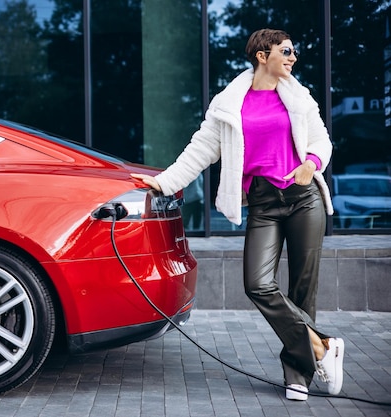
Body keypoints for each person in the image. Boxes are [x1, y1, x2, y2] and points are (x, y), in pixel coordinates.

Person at [132, 28, 344, 401]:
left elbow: (321, 141)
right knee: (257, 284)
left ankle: (298, 375)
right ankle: (322, 346)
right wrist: (163, 182)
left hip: (303, 197)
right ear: (263, 55)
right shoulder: (230, 105)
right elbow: (199, 150)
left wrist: (311, 164)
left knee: (301, 288)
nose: (293, 57)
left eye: (294, 52)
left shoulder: (299, 98)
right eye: (286, 51)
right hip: (264, 202)